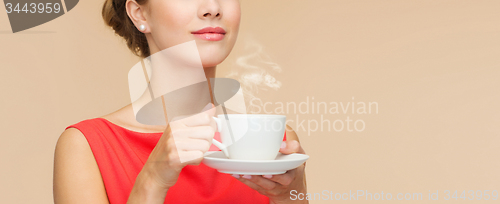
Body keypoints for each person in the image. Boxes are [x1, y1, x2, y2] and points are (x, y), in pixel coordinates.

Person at [53, 0, 307, 203]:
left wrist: (288, 197)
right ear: (140, 14)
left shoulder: (276, 145)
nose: (213, 8)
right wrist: (152, 180)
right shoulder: (87, 147)